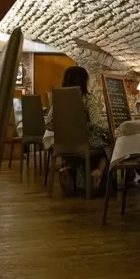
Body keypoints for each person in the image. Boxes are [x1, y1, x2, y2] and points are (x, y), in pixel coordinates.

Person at [44, 66, 112, 194]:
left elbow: (48, 124)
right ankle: (99, 172)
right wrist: (109, 129)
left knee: (85, 150)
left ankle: (70, 169)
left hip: (62, 144)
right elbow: (97, 123)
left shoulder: (59, 99)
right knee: (108, 143)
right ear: (84, 80)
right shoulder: (87, 98)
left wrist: (64, 129)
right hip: (85, 143)